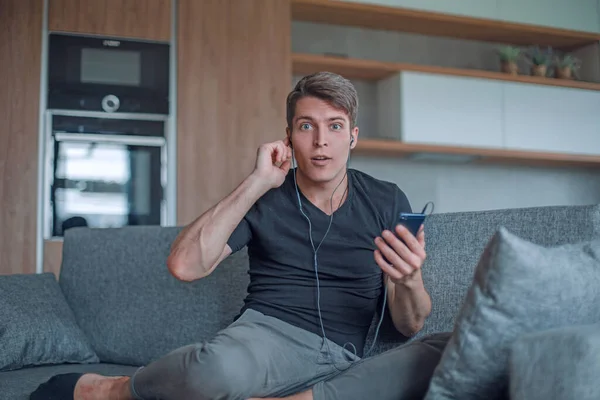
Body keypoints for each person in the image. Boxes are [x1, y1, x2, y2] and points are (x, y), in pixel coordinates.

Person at [31, 72, 450, 400]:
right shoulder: (266, 197)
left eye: (335, 126)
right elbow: (184, 266)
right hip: (266, 341)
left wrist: (410, 279)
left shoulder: (386, 199)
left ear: (353, 137)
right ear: (288, 138)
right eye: (307, 126)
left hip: (347, 356)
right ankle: (113, 390)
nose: (321, 141)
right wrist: (256, 182)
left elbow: (408, 324)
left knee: (449, 349)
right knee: (211, 371)